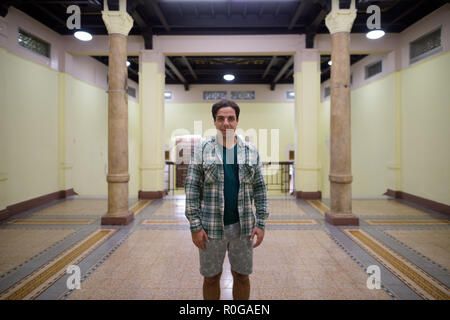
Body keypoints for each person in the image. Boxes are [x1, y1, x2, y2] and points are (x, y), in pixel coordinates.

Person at [184, 99, 269, 300]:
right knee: (211, 277)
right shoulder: (202, 150)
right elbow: (192, 187)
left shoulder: (250, 151)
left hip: (244, 227)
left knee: (241, 276)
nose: (226, 123)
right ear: (214, 121)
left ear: (237, 121)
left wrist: (262, 222)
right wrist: (195, 226)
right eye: (221, 119)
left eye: (231, 118)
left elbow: (260, 189)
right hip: (211, 228)